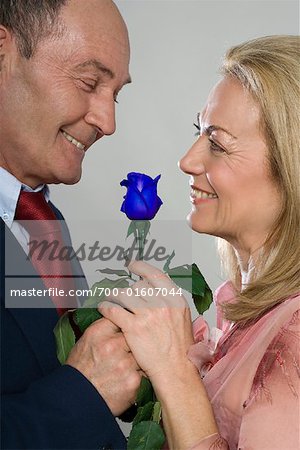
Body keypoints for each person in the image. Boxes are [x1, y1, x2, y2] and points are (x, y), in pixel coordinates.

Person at [100, 35, 300, 449]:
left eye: (217, 143)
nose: (188, 161)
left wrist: (174, 370)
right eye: (199, 133)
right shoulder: (254, 314)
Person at [0, 1, 142, 449]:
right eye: (89, 82)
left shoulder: (42, 217)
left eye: (114, 93)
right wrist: (85, 394)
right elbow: (79, 388)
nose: (108, 121)